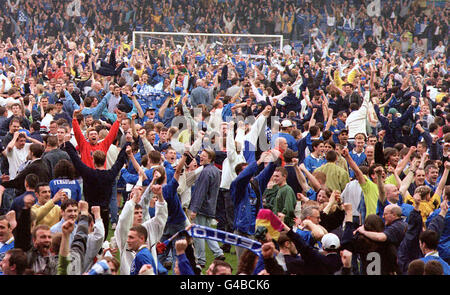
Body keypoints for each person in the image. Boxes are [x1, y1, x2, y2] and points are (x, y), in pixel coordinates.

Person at [189, 149, 225, 267]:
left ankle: (201, 260)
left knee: (199, 233)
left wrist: (194, 209)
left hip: (202, 208)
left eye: (204, 156)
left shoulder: (206, 172)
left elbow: (201, 192)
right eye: (201, 155)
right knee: (208, 231)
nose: (201, 157)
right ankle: (218, 252)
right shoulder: (216, 171)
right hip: (210, 207)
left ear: (210, 159)